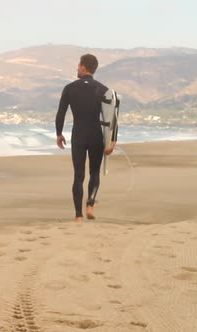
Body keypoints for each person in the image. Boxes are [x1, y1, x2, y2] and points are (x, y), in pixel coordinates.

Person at [55, 54, 116, 222]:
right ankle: (90, 204)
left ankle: (78, 216)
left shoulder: (69, 88)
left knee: (79, 176)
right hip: (96, 135)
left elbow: (60, 113)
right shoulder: (103, 89)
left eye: (78, 65)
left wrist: (59, 134)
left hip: (78, 135)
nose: (76, 68)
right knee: (94, 172)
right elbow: (112, 118)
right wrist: (112, 141)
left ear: (83, 67)